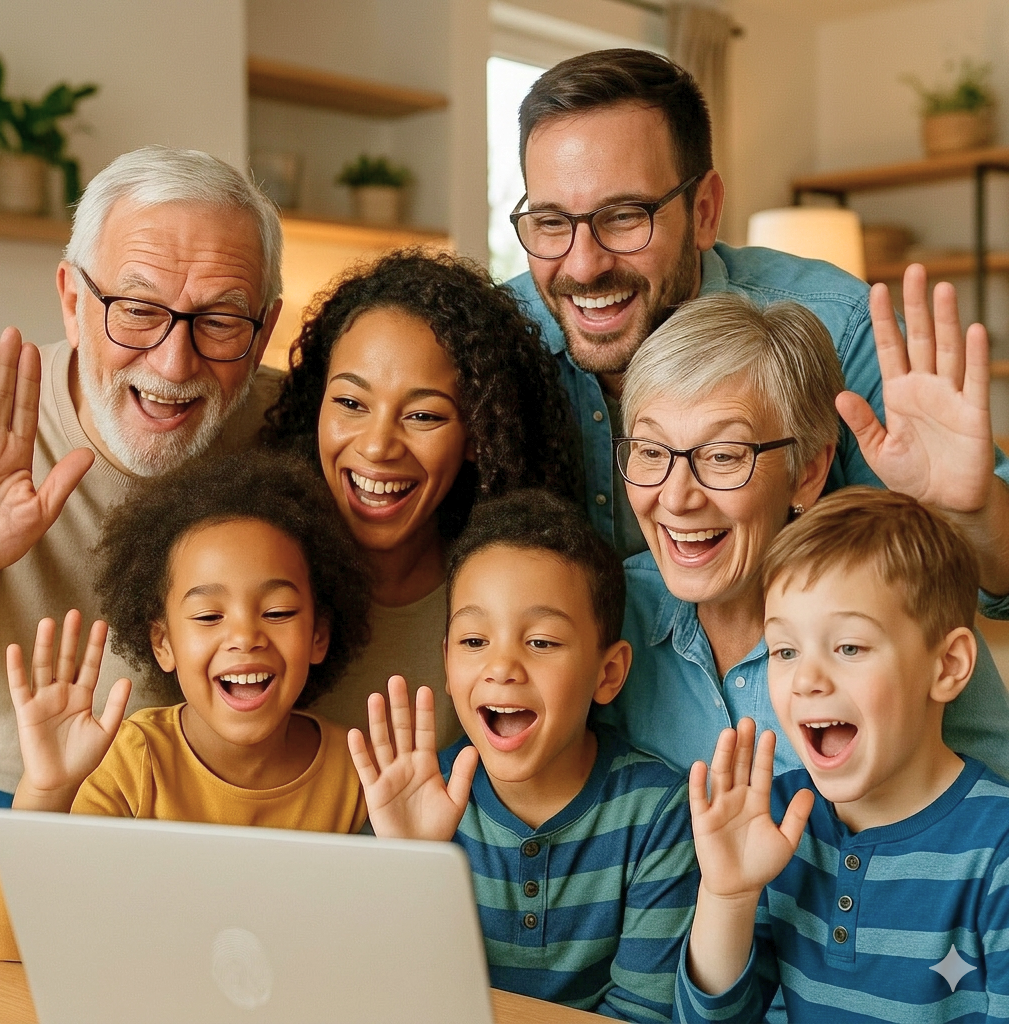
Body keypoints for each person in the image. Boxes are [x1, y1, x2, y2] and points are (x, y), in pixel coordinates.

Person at [505, 48, 1009, 619]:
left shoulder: (841, 330)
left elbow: (982, 585)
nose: (582, 265)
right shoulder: (492, 337)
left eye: (623, 216)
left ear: (705, 210)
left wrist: (972, 513)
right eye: (550, 223)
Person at [596, 292, 1009, 779]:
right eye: (650, 451)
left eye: (724, 455)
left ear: (808, 472)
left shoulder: (900, 606)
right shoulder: (605, 611)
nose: (676, 497)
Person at [0, 146, 286, 809]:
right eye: (138, 309)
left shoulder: (305, 429)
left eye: (220, 320)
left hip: (212, 799)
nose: (175, 365)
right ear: (72, 299)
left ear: (262, 334)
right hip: (9, 792)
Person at [0, 451, 371, 962]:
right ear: (162, 644)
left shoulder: (359, 771)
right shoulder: (130, 762)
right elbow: (8, 944)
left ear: (319, 635)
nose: (245, 637)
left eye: (277, 611)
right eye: (209, 615)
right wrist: (47, 790)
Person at [348, 490, 698, 1021]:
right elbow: (370, 992)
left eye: (541, 642)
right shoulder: (411, 800)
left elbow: (642, 1013)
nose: (502, 666)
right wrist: (409, 868)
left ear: (608, 674)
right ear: (446, 663)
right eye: (473, 641)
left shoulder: (658, 813)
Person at [675, 488, 1009, 1023]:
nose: (806, 680)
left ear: (947, 666)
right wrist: (727, 896)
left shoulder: (998, 851)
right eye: (784, 651)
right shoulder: (776, 822)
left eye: (849, 647)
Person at [263, 251, 579, 748]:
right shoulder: (257, 575)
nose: (376, 446)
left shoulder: (510, 607)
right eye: (350, 403)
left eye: (424, 416)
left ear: (478, 434)